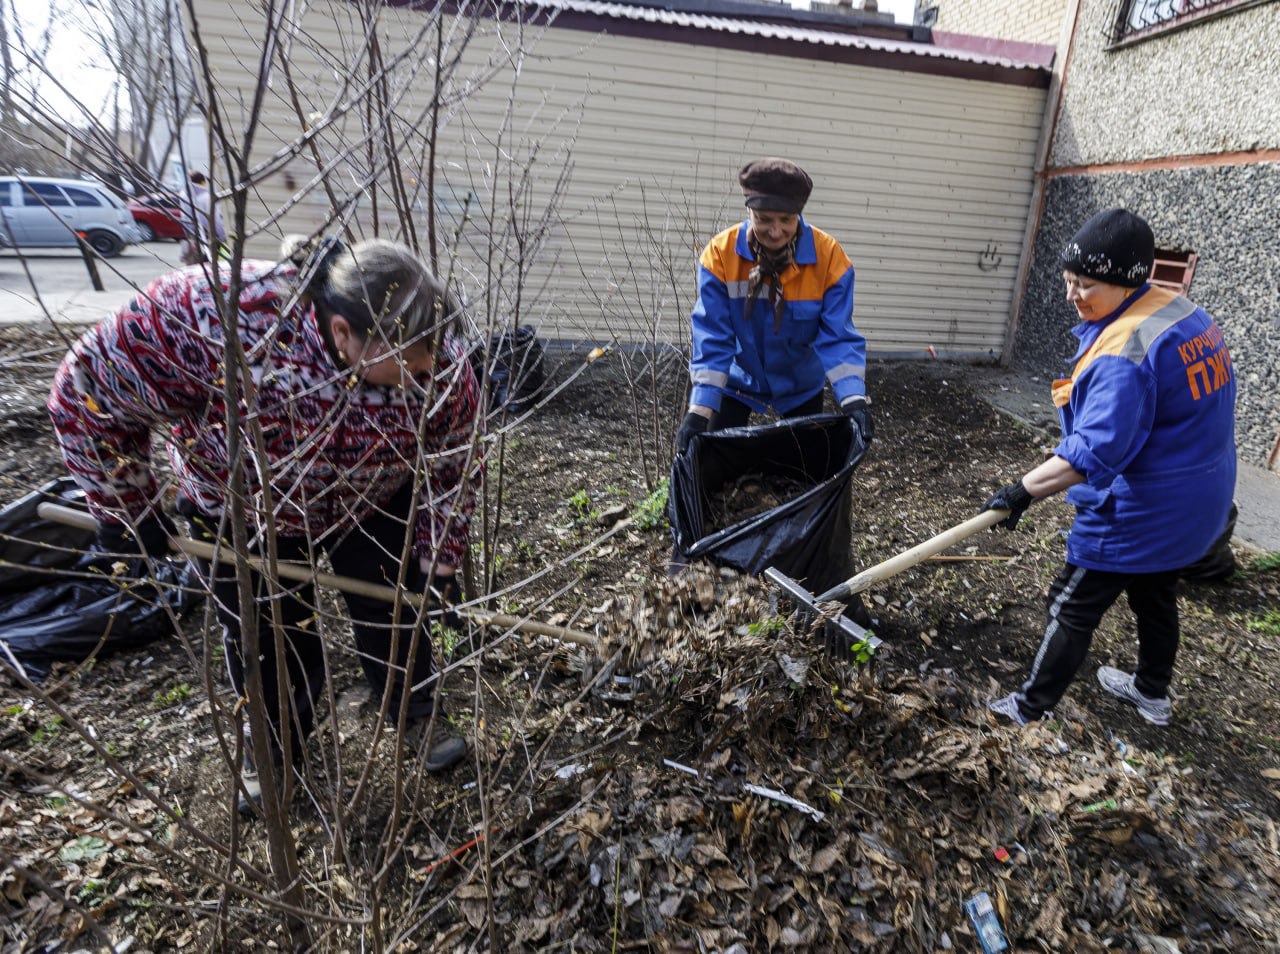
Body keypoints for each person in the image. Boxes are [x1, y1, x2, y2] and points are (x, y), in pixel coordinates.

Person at [48, 235, 482, 813]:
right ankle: (275, 751)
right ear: (341, 333)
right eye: (407, 358)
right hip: (243, 514)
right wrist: (129, 508)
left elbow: (455, 461)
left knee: (396, 606)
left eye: (432, 352)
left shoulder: (437, 359)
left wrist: (439, 560)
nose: (427, 367)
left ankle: (416, 711)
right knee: (271, 640)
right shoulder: (216, 316)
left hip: (373, 500)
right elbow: (84, 395)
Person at [982, 208, 1236, 727]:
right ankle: (1151, 694)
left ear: (1127, 282)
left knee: (1071, 603)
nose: (1073, 295)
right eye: (1069, 280)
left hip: (1145, 507)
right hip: (1199, 495)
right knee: (1155, 592)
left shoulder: (1126, 351)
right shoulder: (1180, 310)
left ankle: (1028, 710)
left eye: (1087, 285)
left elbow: (1094, 452)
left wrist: (1021, 491)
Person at [677, 158, 872, 453]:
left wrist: (854, 401)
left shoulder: (830, 259)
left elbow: (839, 337)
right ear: (748, 211)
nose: (776, 231)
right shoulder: (719, 257)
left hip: (800, 383)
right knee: (717, 462)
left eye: (786, 220)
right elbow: (713, 337)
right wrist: (699, 411)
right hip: (738, 379)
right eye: (764, 219)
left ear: (799, 215)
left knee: (806, 467)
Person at [177, 170, 227, 265]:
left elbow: (184, 215)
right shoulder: (205, 196)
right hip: (206, 232)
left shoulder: (183, 195)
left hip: (190, 232)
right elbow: (214, 218)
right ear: (202, 182)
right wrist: (222, 235)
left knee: (193, 261)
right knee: (210, 258)